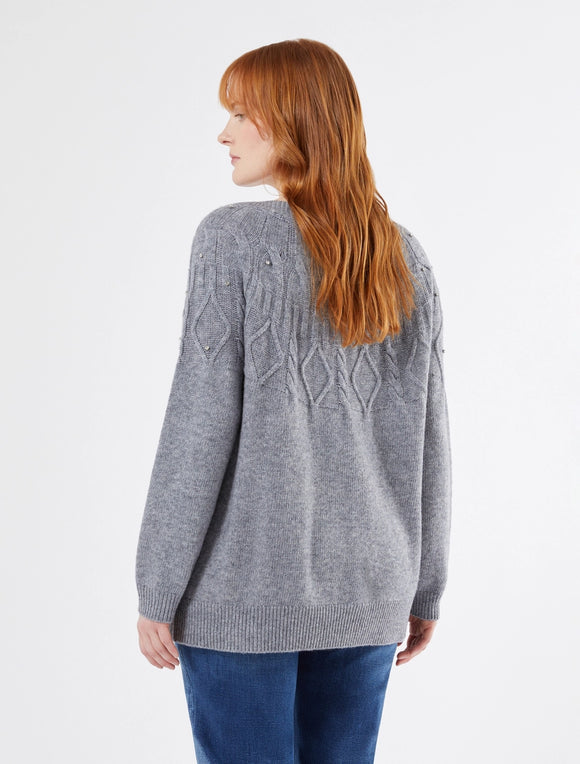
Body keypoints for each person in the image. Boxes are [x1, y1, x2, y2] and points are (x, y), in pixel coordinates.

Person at [135, 38, 452, 763]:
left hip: (244, 595)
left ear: (293, 121)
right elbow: (431, 440)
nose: (224, 134)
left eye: (241, 113)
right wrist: (426, 587)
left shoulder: (231, 241)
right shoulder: (403, 256)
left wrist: (158, 584)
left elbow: (198, 424)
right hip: (371, 591)